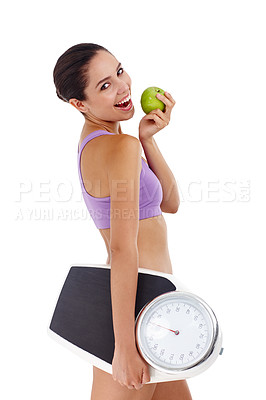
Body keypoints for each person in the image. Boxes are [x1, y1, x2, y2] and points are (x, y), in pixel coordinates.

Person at [53, 43, 193, 400]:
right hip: (134, 312)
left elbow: (170, 202)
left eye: (118, 71)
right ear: (78, 104)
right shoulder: (116, 148)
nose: (122, 86)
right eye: (104, 86)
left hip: (156, 304)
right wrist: (124, 347)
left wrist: (147, 139)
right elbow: (122, 247)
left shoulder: (118, 143)